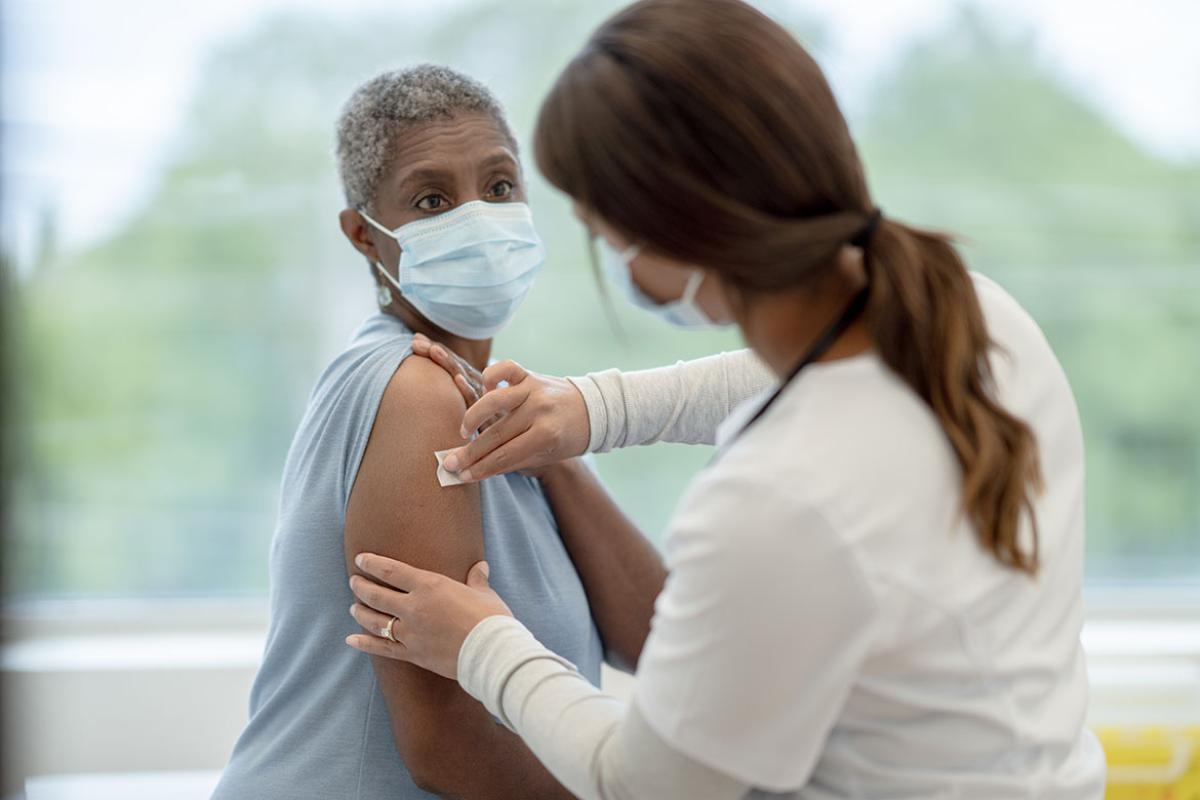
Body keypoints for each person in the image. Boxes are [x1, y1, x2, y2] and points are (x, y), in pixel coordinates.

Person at [343, 1, 1107, 798]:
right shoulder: (979, 318)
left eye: (603, 233)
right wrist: (591, 411)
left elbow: (643, 785)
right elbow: (795, 377)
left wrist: (483, 644)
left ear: (670, 231)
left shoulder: (778, 498)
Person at [211, 64, 618, 800]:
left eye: (499, 187)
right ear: (365, 237)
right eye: (432, 201)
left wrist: (556, 458)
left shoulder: (507, 408)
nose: (479, 219)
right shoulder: (415, 392)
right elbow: (447, 743)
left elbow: (650, 634)